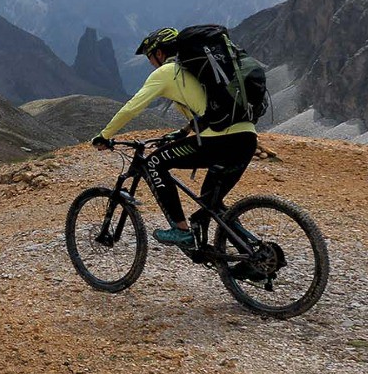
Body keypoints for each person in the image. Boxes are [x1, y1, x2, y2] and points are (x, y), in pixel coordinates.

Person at [91, 27, 258, 248]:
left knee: (154, 162)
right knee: (211, 203)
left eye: (150, 57)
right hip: (246, 137)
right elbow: (209, 109)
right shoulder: (196, 71)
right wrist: (185, 131)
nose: (151, 63)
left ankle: (181, 231)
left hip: (217, 141)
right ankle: (254, 254)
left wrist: (105, 135)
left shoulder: (166, 72)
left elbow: (131, 108)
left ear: (159, 53)